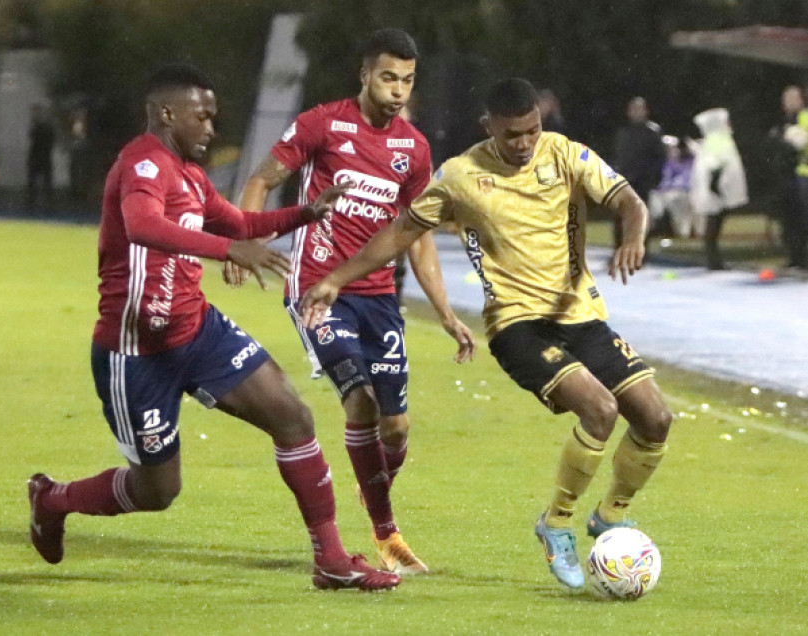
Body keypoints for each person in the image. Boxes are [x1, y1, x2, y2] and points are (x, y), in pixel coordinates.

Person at [25, 62, 401, 591]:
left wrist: (305, 213)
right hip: (136, 353)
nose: (210, 128)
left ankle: (331, 561)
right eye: (201, 117)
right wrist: (230, 250)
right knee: (157, 491)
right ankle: (53, 499)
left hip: (198, 331)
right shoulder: (143, 163)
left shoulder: (191, 176)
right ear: (166, 113)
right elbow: (142, 225)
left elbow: (241, 223)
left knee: (293, 417)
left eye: (213, 117)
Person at [299, 78, 673, 591]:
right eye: (512, 134)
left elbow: (630, 200)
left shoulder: (565, 153)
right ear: (488, 127)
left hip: (582, 316)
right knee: (600, 410)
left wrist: (634, 237)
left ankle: (610, 515)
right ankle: (556, 523)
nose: (524, 143)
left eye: (532, 130)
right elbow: (401, 232)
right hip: (517, 326)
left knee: (656, 418)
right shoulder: (460, 176)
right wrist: (337, 279)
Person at [228, 28, 475, 575]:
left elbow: (418, 236)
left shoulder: (414, 148)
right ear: (365, 75)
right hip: (318, 289)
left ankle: (373, 485)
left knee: (396, 427)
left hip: (379, 297)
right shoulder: (322, 124)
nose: (398, 90)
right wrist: (246, 238)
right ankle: (387, 534)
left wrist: (445, 313)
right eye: (388, 78)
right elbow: (262, 180)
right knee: (359, 402)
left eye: (407, 80)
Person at [688, 108, 749, 271]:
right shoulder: (718, 139)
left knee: (713, 223)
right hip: (716, 189)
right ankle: (713, 260)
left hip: (714, 188)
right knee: (713, 223)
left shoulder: (713, 139)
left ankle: (713, 259)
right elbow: (716, 164)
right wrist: (718, 189)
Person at [613, 97, 665, 247]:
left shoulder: (652, 132)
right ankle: (618, 248)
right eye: (633, 109)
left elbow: (659, 157)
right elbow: (620, 156)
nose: (636, 112)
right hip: (624, 180)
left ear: (645, 111)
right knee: (619, 216)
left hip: (643, 181)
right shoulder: (623, 132)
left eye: (639, 109)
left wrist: (653, 177)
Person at [772, 85, 808, 272]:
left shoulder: (804, 118)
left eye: (793, 99)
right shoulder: (782, 122)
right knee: (790, 219)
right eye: (786, 99)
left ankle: (802, 258)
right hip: (788, 176)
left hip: (802, 175)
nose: (789, 103)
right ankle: (795, 258)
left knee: (803, 218)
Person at [647, 136, 698, 239]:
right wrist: (664, 188)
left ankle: (684, 232)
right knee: (653, 198)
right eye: (680, 148)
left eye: (683, 148)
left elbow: (688, 181)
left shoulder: (693, 161)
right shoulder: (670, 162)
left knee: (678, 200)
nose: (681, 150)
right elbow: (666, 180)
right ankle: (654, 228)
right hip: (670, 192)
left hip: (688, 192)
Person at [26, 103, 55, 211]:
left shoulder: (44, 127)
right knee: (35, 181)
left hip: (41, 156)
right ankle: (34, 201)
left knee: (44, 181)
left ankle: (45, 201)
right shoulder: (39, 126)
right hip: (39, 156)